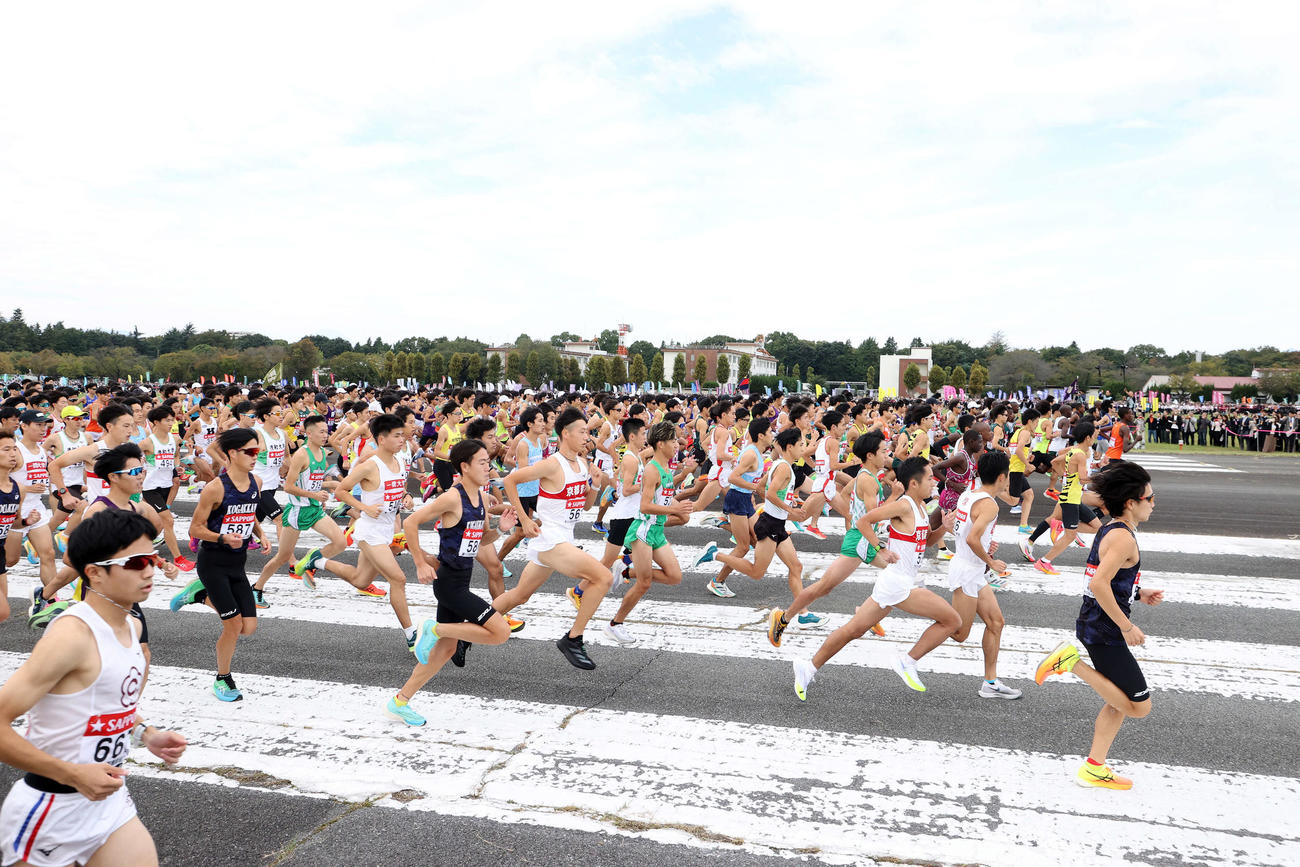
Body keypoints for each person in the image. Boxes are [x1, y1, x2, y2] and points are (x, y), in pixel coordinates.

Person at [0, 509, 187, 867]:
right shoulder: (72, 635)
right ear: (95, 573)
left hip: (110, 804)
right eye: (136, 562)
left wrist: (146, 734)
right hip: (52, 809)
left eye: (152, 557)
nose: (149, 570)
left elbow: (105, 703)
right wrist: (72, 773)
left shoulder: (131, 626)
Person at [1035, 461, 1163, 790]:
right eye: (1150, 497)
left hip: (1095, 624)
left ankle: (1094, 766)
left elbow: (1103, 578)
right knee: (1139, 707)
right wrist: (1125, 626)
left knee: (1118, 700)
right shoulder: (1123, 539)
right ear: (1132, 502)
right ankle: (1069, 662)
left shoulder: (1112, 528)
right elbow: (1099, 585)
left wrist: (1137, 592)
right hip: (1105, 631)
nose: (1154, 502)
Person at [791, 457, 958, 701]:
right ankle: (906, 661)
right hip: (899, 584)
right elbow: (863, 521)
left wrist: (943, 527)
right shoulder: (904, 505)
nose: (934, 482)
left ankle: (808, 667)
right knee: (952, 620)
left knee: (853, 630)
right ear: (913, 483)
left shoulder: (921, 507)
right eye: (930, 478)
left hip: (896, 581)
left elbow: (926, 542)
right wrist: (880, 548)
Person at [389, 439, 514, 725]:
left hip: (462, 579)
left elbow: (480, 540)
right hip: (448, 583)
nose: (488, 467)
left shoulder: (481, 499)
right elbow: (410, 523)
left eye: (488, 461)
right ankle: (433, 628)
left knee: (444, 651)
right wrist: (420, 562)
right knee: (500, 631)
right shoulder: (452, 498)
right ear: (464, 466)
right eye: (482, 462)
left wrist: (501, 530)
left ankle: (400, 701)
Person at [496, 407, 611, 670]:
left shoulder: (582, 464)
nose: (586, 436)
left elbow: (584, 507)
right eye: (582, 431)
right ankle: (573, 639)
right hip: (549, 538)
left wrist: (593, 485)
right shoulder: (551, 463)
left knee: (519, 595)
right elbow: (511, 480)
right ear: (565, 434)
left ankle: (469, 628)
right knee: (602, 577)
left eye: (587, 431)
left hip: (563, 537)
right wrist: (525, 520)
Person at [767, 430, 898, 646]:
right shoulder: (868, 481)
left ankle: (868, 613)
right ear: (870, 456)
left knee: (897, 574)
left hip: (863, 539)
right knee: (824, 586)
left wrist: (852, 516)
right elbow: (872, 516)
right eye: (883, 452)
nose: (887, 456)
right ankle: (783, 618)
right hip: (860, 541)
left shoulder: (865, 477)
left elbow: (846, 495)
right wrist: (893, 498)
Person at [169, 428, 262, 701]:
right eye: (251, 452)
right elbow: (195, 529)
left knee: (249, 628)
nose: (256, 457)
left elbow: (250, 513)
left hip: (238, 564)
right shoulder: (215, 488)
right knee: (232, 625)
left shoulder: (256, 481)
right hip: (213, 564)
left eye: (258, 451)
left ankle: (198, 595)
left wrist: (260, 533)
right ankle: (223, 678)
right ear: (232, 453)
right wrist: (221, 537)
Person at [945, 450, 1021, 699]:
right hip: (968, 570)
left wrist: (985, 546)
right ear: (1001, 477)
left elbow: (960, 528)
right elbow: (971, 537)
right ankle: (909, 609)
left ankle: (990, 682)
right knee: (958, 633)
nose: (1009, 479)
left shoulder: (969, 494)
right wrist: (991, 561)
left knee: (996, 622)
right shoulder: (989, 504)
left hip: (971, 569)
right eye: (1008, 475)